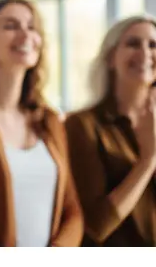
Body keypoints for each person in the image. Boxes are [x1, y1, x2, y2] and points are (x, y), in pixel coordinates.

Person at [0, 0, 83, 247]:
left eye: (31, 27)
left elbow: (73, 212)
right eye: (11, 26)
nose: (25, 35)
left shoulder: (50, 122)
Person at [65, 15, 156, 246]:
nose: (145, 53)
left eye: (153, 45)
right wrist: (148, 160)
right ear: (110, 58)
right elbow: (96, 226)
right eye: (133, 43)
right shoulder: (82, 125)